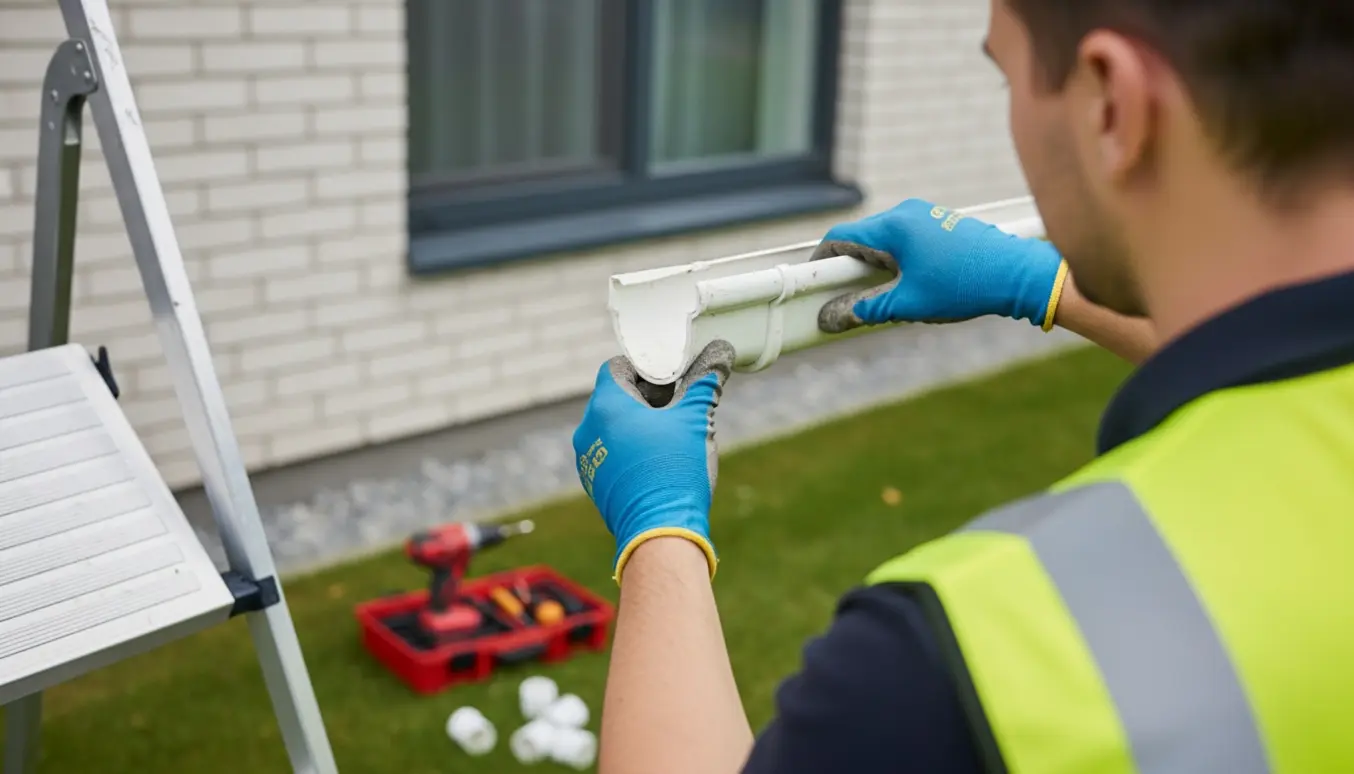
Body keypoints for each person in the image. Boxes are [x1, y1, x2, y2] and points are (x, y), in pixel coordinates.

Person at [571, 0, 1354, 770]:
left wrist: (658, 532)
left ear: (1112, 106)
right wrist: (1041, 284)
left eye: (1008, 79)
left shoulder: (958, 663)